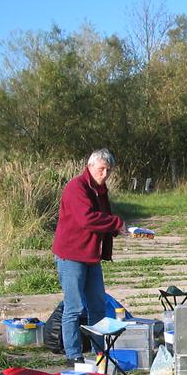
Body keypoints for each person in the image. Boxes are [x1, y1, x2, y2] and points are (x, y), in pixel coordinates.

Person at [52, 148, 124, 363]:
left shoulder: (101, 190)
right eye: (102, 169)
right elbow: (87, 219)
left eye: (109, 171)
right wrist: (116, 223)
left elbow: (105, 219)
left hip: (91, 255)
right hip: (70, 256)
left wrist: (119, 230)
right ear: (90, 166)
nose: (105, 174)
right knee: (74, 308)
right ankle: (73, 356)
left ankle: (99, 353)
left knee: (98, 306)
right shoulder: (77, 187)